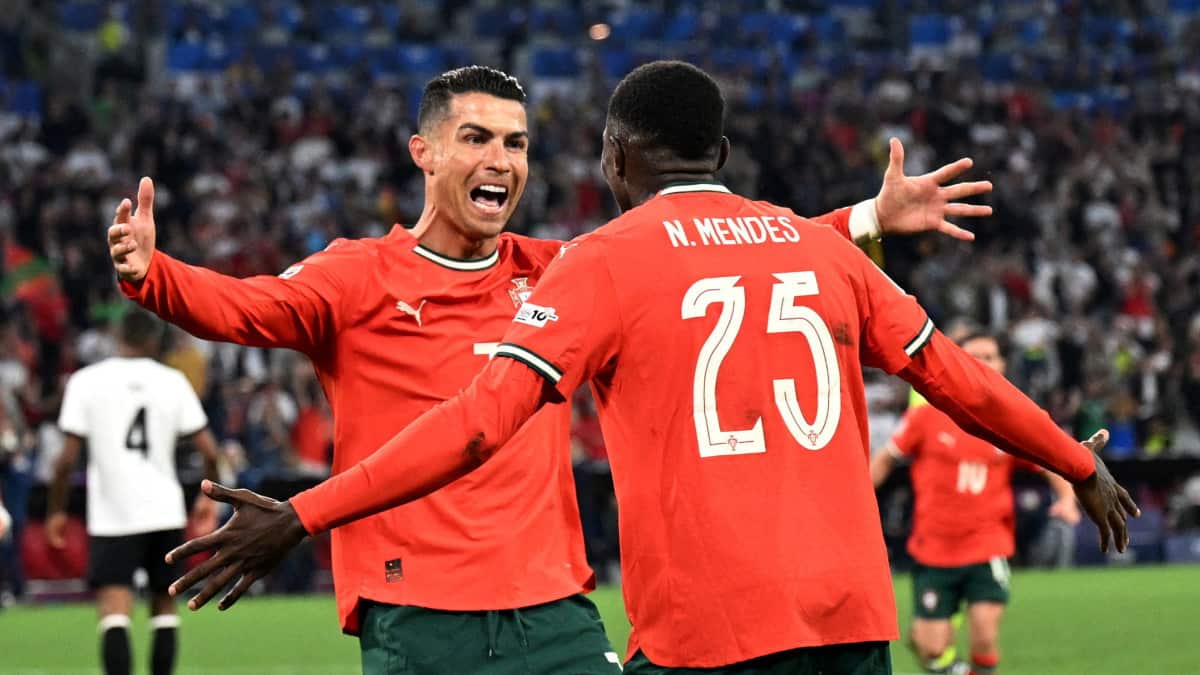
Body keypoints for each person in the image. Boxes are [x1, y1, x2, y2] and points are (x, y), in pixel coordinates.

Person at [164, 61, 1139, 674]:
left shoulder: (601, 264)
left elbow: (477, 421)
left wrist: (304, 514)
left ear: (613, 158)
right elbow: (958, 379)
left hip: (707, 634)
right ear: (722, 150)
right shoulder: (816, 249)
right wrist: (1074, 458)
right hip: (849, 625)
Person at [869, 331, 1082, 675]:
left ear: (1002, 365)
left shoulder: (1010, 421)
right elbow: (885, 459)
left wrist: (1067, 499)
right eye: (974, 357)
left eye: (989, 357)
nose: (983, 364)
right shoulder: (925, 416)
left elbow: (1049, 461)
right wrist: (860, 499)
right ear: (958, 363)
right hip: (934, 549)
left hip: (987, 545)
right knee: (930, 649)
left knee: (984, 634)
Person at [46, 309, 220, 675]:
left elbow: (65, 461)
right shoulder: (172, 381)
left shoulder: (86, 381)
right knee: (164, 610)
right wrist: (208, 499)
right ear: (154, 340)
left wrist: (56, 510)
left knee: (114, 612)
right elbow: (210, 451)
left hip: (113, 515)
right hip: (165, 511)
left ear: (117, 336)